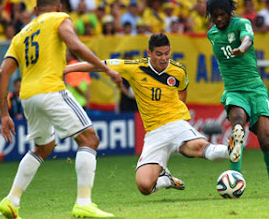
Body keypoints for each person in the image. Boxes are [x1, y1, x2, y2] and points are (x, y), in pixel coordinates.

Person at [64, 33, 241, 196]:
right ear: (149, 53)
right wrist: (66, 69)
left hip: (176, 124)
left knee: (200, 148)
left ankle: (230, 150)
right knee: (144, 186)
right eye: (159, 54)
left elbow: (182, 92)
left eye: (167, 53)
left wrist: (176, 111)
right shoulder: (134, 68)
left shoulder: (178, 70)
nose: (164, 58)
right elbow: (99, 64)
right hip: (154, 133)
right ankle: (166, 180)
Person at [0, 0, 121, 218]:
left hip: (28, 96)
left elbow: (3, 72)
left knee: (43, 147)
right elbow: (76, 46)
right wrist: (106, 69)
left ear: (35, 10)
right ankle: (83, 202)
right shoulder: (58, 18)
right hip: (51, 90)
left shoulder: (21, 34)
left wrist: (5, 113)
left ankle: (11, 200)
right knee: (89, 139)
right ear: (58, 7)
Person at [206, 0, 269, 196]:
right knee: (237, 127)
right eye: (214, 16)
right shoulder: (212, 35)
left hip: (255, 89)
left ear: (229, 13)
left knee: (266, 139)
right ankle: (235, 180)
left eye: (222, 15)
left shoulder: (242, 23)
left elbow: (247, 39)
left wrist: (241, 48)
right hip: (234, 90)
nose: (218, 19)